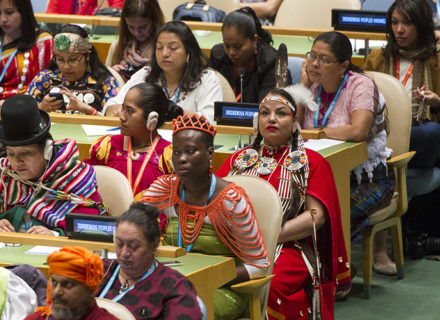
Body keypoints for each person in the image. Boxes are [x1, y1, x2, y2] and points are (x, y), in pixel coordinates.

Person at [216, 89, 351, 320]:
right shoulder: (238, 160)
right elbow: (212, 200)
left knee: (271, 286)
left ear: (295, 121)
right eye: (265, 113)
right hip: (235, 243)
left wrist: (266, 237)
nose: (271, 119)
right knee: (212, 275)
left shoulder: (312, 162)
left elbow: (316, 216)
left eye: (281, 113)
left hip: (289, 246)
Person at [141, 114, 268, 320]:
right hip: (172, 283)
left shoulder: (230, 200)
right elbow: (132, 226)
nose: (181, 158)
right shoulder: (166, 188)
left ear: (210, 153)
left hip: (220, 289)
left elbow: (259, 265)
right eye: (177, 151)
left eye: (190, 151)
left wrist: (208, 276)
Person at [302, 32, 396, 277]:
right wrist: (301, 89)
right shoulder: (311, 86)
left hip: (370, 180)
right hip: (323, 181)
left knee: (326, 217)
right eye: (312, 56)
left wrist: (316, 134)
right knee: (299, 215)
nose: (314, 64)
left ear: (343, 65)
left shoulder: (360, 85)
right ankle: (326, 272)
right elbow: (290, 128)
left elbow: (358, 131)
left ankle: (336, 275)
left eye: (323, 59)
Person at [0, 95, 105, 235]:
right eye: (11, 153)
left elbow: (95, 229)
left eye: (26, 153)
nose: (17, 162)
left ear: (47, 150)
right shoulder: (4, 178)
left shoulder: (74, 179)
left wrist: (56, 235)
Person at [364, 0, 440, 170]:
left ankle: (386, 167)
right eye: (395, 22)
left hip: (418, 138)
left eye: (407, 23)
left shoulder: (436, 60)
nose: (399, 30)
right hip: (380, 131)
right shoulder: (377, 57)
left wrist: (436, 103)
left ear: (421, 25)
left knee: (433, 131)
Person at [97, 203, 202, 319]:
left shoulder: (174, 287)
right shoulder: (97, 270)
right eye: (119, 244)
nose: (124, 253)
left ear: (154, 245)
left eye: (134, 246)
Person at [104, 21, 222, 122]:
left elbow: (211, 121)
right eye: (159, 48)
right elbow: (110, 106)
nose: (164, 53)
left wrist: (178, 113)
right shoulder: (145, 74)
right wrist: (115, 110)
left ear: (188, 51)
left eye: (173, 48)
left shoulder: (207, 79)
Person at [84, 83, 182, 198]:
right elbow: (85, 186)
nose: (122, 117)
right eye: (123, 108)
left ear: (152, 118)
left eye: (130, 111)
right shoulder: (107, 147)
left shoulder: (169, 156)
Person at [27, 25, 119, 115]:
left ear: (87, 56)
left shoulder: (105, 81)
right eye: (60, 59)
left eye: (73, 59)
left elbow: (115, 119)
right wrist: (41, 108)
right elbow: (24, 113)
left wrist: (90, 111)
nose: (66, 67)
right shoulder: (45, 78)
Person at [0, 0, 53, 102]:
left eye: (9, 12)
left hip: (32, 108)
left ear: (23, 12)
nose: (3, 19)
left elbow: (51, 83)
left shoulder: (44, 42)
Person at [211, 7, 290, 103]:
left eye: (237, 46)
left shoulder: (272, 62)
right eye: (227, 46)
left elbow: (268, 106)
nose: (231, 52)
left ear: (254, 40)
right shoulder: (218, 56)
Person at [25, 246, 118, 320]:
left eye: (67, 285)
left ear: (91, 289)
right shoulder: (37, 318)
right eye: (54, 282)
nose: (57, 291)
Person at [107, 0, 164, 82]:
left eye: (143, 27)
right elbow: (104, 82)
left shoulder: (165, 50)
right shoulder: (117, 45)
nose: (136, 33)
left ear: (154, 22)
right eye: (131, 27)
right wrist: (113, 75)